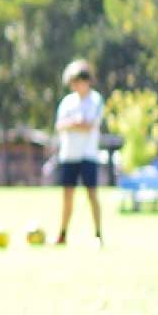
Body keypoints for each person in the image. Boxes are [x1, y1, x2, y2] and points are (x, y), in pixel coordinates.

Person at [54, 58, 105, 247]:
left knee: (92, 195)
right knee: (67, 196)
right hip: (69, 155)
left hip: (88, 155)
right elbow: (60, 125)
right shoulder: (67, 102)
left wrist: (74, 124)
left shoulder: (95, 100)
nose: (77, 85)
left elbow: (89, 126)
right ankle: (62, 234)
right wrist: (75, 124)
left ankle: (98, 234)